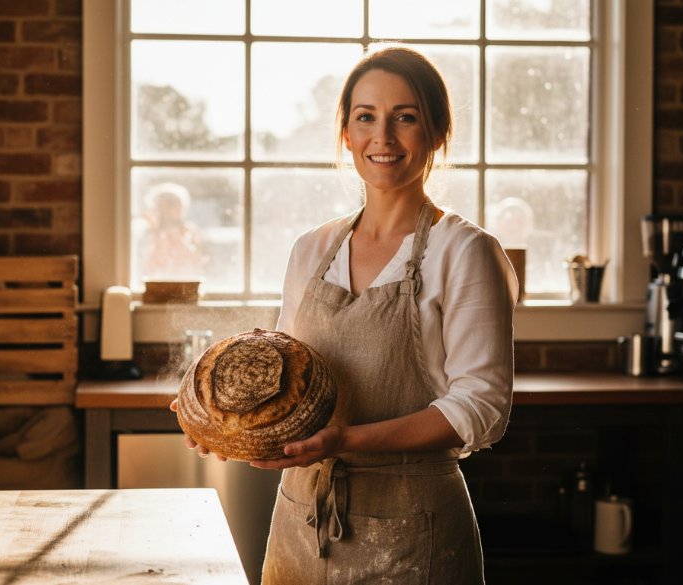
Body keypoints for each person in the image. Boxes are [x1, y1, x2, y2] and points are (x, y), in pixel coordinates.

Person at [172, 47, 517, 584]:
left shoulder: (464, 251)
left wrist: (345, 440)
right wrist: (219, 422)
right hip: (299, 525)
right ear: (346, 134)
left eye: (405, 117)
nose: (383, 137)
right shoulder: (312, 249)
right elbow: (284, 375)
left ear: (437, 133)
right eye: (366, 117)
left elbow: (481, 408)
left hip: (413, 533)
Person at [134, 182, 208, 281]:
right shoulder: (147, 231)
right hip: (154, 283)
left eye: (179, 203)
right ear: (158, 207)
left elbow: (201, 262)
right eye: (170, 204)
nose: (177, 208)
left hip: (186, 282)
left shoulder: (190, 232)